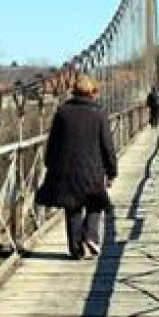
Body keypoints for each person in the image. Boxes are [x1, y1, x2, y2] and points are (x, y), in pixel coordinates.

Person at [36, 74, 117, 259]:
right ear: (93, 92)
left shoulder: (62, 112)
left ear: (73, 91)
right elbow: (107, 145)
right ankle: (90, 236)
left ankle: (76, 249)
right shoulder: (99, 113)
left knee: (72, 207)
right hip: (92, 169)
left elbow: (53, 142)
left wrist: (49, 163)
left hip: (66, 170)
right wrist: (112, 171)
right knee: (96, 204)